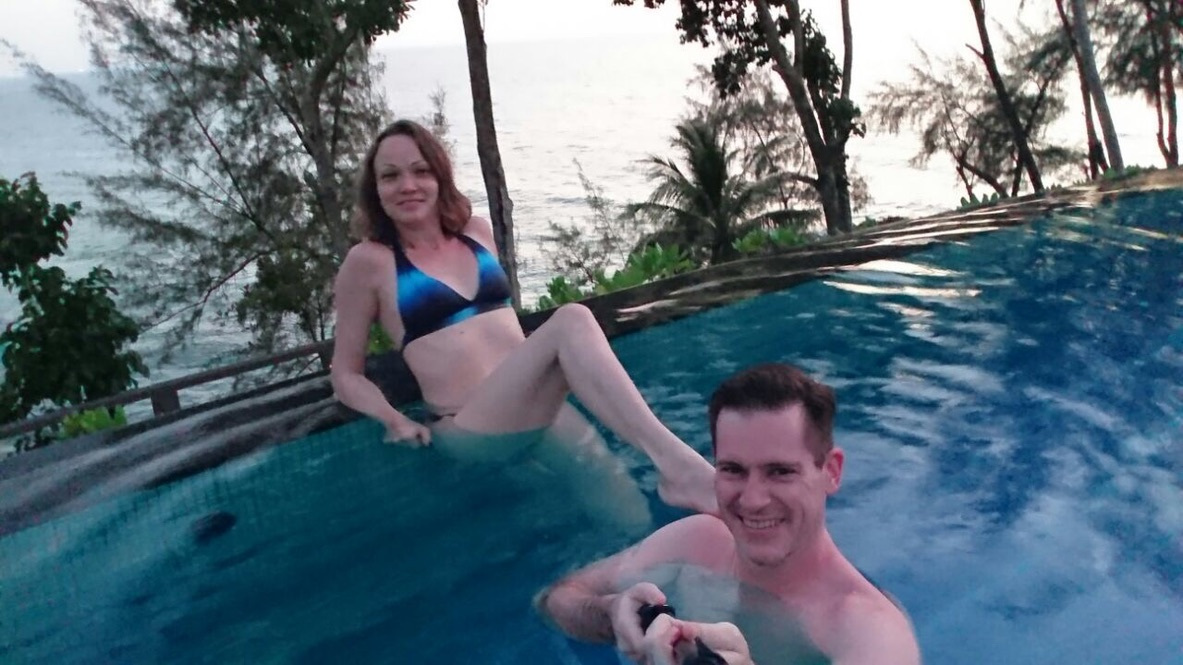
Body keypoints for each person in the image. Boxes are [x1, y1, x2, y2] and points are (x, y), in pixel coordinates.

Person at [329, 119, 715, 515]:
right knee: (572, 321)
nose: (408, 185)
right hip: (466, 425)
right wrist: (393, 419)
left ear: (440, 176)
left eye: (420, 170)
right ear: (375, 189)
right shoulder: (369, 261)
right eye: (390, 176)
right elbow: (345, 374)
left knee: (631, 514)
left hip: (530, 405)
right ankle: (681, 467)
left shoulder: (476, 233)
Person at [535, 363, 922, 665]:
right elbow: (555, 600)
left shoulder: (868, 631)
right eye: (733, 470)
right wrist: (611, 615)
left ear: (831, 472)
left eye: (780, 472)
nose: (752, 500)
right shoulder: (696, 543)